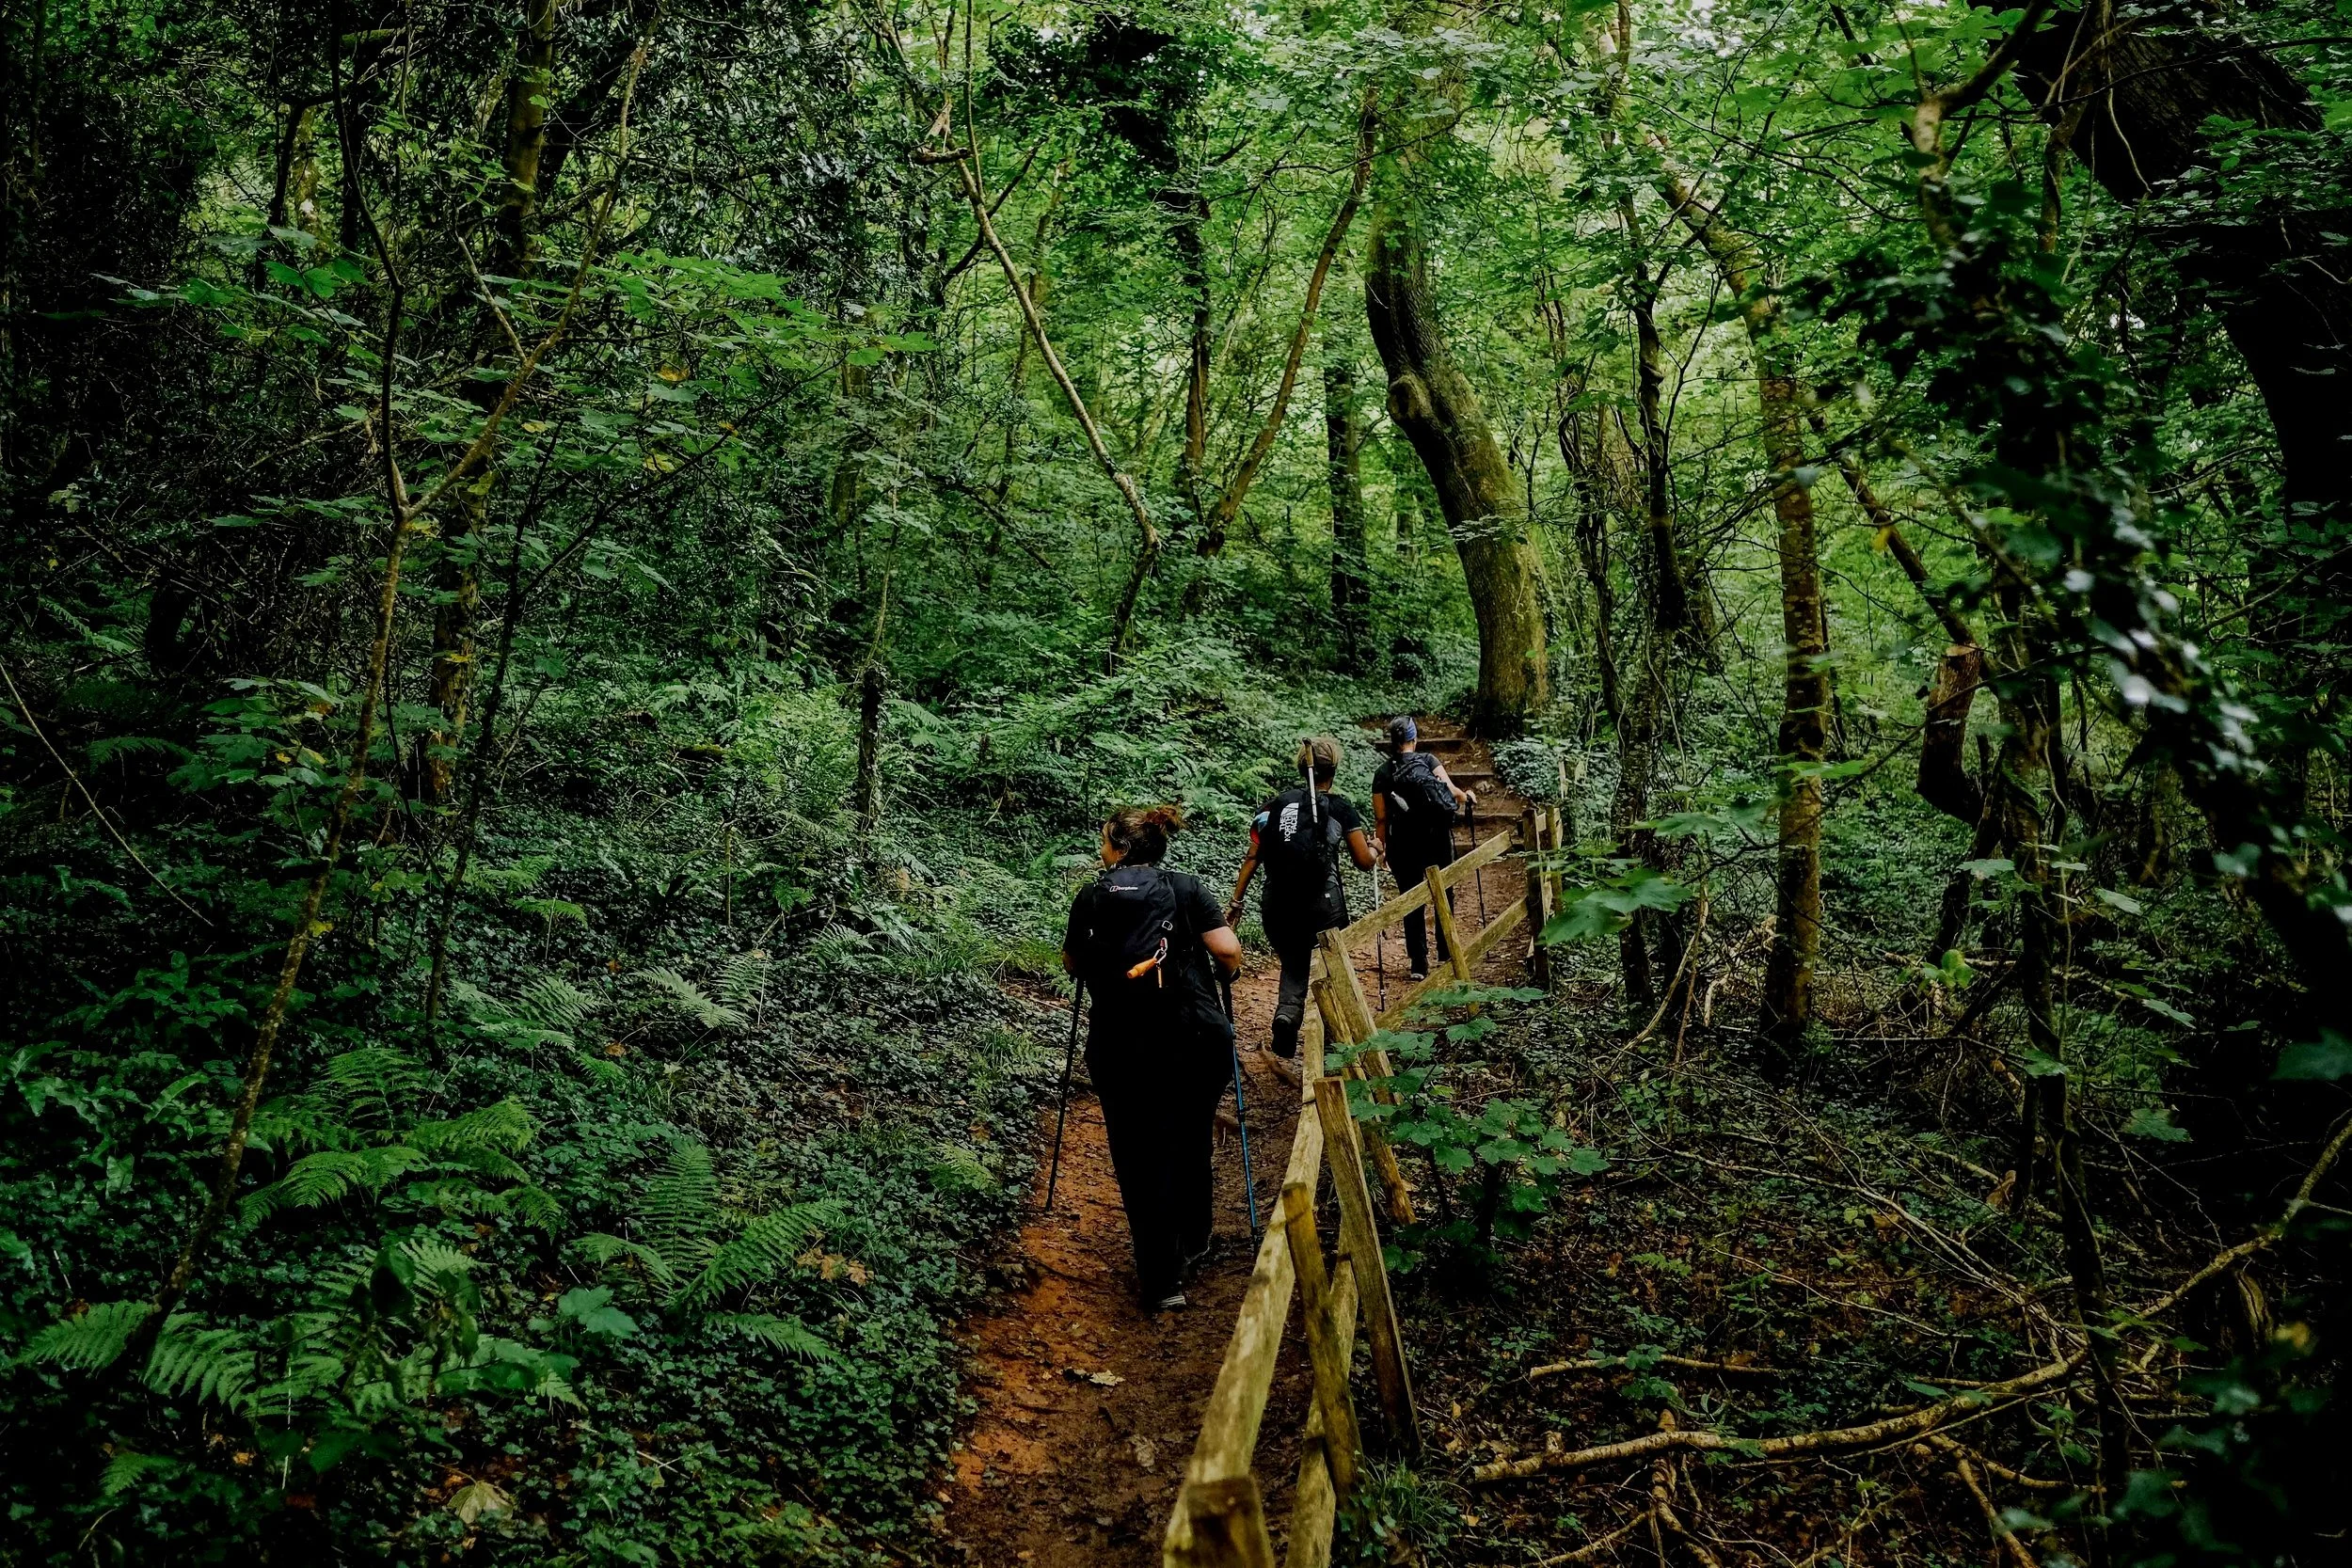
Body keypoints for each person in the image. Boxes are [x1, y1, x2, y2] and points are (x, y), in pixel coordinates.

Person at [1063, 805, 1244, 1312]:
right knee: (1190, 1135)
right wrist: (1225, 975)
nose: (1102, 849)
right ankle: (1195, 1239)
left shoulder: (1092, 895)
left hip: (1120, 1042)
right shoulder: (1185, 889)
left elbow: (1073, 961)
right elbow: (1227, 951)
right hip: (1192, 1037)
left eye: (1105, 841)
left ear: (1121, 849)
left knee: (1138, 1153)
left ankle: (1161, 1280)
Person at [1225, 737, 1375, 1059]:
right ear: (1333, 770)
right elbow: (1364, 861)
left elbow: (1252, 857)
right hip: (1323, 906)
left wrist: (1236, 902)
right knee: (1329, 970)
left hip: (1277, 905)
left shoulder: (1274, 806)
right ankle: (1332, 1048)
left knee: (1294, 962)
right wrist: (1376, 848)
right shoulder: (1339, 808)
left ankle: (1287, 1015)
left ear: (1300, 768)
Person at [1370, 716, 1474, 980]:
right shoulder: (1428, 761)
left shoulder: (1382, 773)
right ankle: (1446, 951)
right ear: (1414, 739)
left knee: (1410, 899)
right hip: (1436, 840)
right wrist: (1467, 796)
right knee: (1444, 892)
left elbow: (1381, 818)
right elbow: (1451, 791)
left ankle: (1418, 963)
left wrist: (1382, 848)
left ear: (1392, 742)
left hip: (1403, 845)